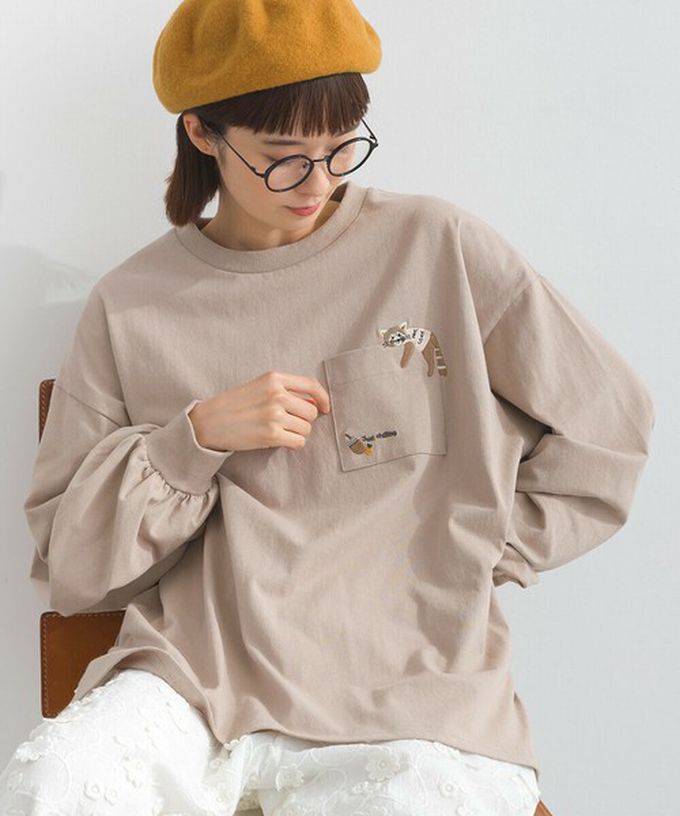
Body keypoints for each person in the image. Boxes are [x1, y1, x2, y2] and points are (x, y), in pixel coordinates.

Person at [1, 0, 655, 814]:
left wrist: (482, 545)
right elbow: (72, 563)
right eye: (283, 159)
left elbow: (608, 423)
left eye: (341, 147)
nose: (319, 183)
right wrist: (194, 439)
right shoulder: (131, 304)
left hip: (415, 694)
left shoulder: (436, 245)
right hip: (198, 684)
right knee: (56, 786)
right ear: (202, 133)